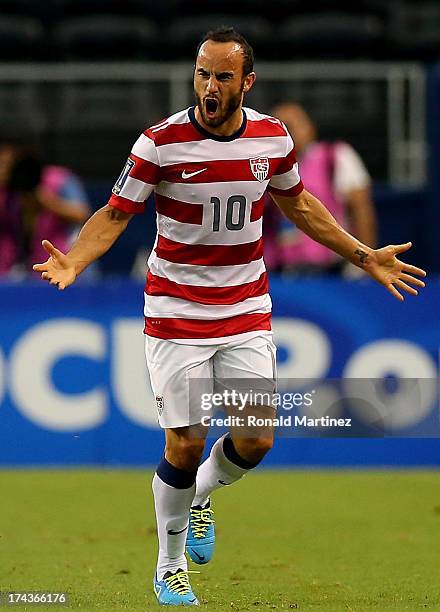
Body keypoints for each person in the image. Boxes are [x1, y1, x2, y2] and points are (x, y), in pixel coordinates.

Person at [33, 27, 426, 607]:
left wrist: (365, 257)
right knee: (186, 445)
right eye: (201, 74)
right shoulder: (159, 144)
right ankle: (169, 568)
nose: (209, 87)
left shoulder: (272, 138)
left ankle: (198, 500)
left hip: (245, 308)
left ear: (246, 82)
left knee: (257, 439)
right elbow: (116, 215)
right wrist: (77, 260)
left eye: (221, 76)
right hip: (176, 312)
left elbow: (303, 208)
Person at [265, 102, 377, 276]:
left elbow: (361, 210)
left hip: (332, 272)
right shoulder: (263, 166)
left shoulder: (336, 156)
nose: (289, 132)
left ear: (310, 127)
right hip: (280, 274)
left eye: (293, 125)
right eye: (281, 126)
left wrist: (364, 265)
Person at [0, 140, 90, 278]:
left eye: (7, 163)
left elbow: (83, 214)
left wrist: (46, 201)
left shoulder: (59, 179)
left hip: (65, 261)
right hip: (22, 271)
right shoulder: (8, 193)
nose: (4, 169)